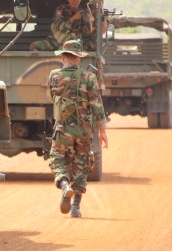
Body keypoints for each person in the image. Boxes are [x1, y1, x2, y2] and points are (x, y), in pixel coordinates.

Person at [47, 39, 108, 217]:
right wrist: (102, 130)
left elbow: (52, 97)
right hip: (84, 130)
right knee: (82, 166)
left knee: (57, 159)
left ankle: (65, 185)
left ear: (64, 56)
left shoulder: (54, 75)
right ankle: (76, 207)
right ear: (79, 58)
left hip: (63, 129)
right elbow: (97, 105)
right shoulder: (90, 77)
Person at [30, 0, 97, 51]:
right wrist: (73, 18)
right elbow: (60, 27)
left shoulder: (83, 12)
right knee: (34, 46)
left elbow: (87, 32)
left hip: (71, 43)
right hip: (54, 41)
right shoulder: (61, 10)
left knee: (64, 49)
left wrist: (89, 20)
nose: (75, 1)